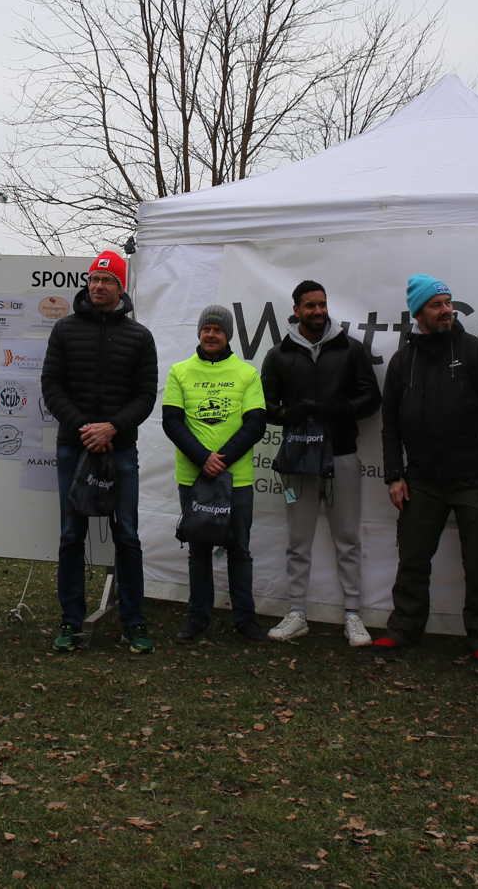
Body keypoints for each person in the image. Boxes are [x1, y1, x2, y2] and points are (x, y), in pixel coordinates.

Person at [372, 275, 478, 663]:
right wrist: (394, 474)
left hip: (473, 479)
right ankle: (403, 628)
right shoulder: (404, 360)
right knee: (412, 560)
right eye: (437, 305)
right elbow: (390, 423)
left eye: (448, 303)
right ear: (418, 314)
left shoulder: (476, 351)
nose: (447, 310)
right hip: (421, 480)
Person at [41, 250, 159, 654]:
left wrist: (112, 428)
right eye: (94, 279)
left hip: (120, 449)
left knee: (127, 534)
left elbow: (146, 395)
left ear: (120, 288)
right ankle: (70, 620)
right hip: (73, 448)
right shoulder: (64, 329)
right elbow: (51, 385)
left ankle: (133, 622)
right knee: (71, 534)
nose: (98, 286)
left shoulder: (140, 336)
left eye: (107, 280)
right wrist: (85, 429)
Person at [260, 280, 382, 646]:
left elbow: (372, 398)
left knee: (347, 538)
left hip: (341, 455)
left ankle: (353, 615)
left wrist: (339, 410)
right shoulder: (279, 354)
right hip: (299, 459)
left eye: (322, 304)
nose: (318, 311)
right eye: (310, 305)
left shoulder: (350, 348)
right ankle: (297, 613)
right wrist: (287, 414)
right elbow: (264, 405)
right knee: (299, 539)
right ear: (296, 310)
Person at [161, 305, 269, 645]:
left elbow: (256, 424)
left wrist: (220, 460)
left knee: (239, 549)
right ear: (199, 332)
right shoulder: (179, 371)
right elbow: (172, 421)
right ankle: (198, 617)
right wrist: (202, 458)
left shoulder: (247, 373)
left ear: (228, 335)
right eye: (206, 328)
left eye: (218, 330)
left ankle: (245, 619)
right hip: (194, 478)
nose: (211, 334)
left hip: (236, 479)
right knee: (199, 549)